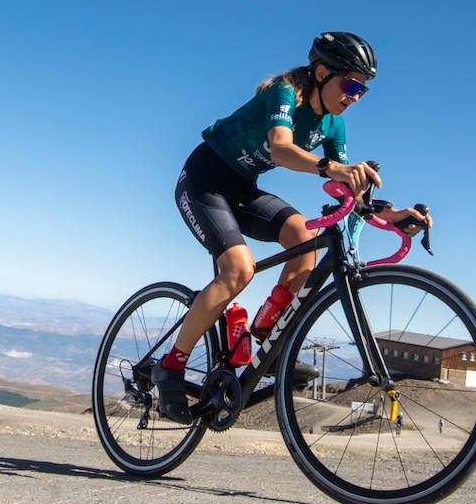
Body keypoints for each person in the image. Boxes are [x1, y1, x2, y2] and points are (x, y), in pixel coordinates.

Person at [155, 32, 431, 423]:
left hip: (242, 188)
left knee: (307, 240)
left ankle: (264, 341)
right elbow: (281, 148)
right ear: (321, 72)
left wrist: (393, 216)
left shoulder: (334, 125)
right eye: (351, 84)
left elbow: (349, 194)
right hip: (203, 180)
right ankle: (170, 368)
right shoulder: (285, 93)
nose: (355, 95)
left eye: (363, 91)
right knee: (238, 269)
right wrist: (331, 166)